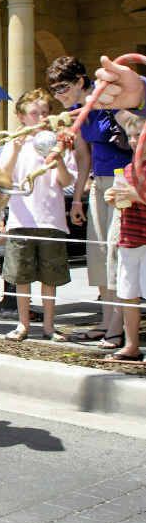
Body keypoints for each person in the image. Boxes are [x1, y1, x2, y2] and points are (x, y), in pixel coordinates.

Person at [50, 56, 130, 347]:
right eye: (54, 90)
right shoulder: (77, 113)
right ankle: (107, 321)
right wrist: (76, 200)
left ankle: (118, 327)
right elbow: (83, 157)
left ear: (80, 81)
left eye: (63, 87)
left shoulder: (108, 97)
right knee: (98, 254)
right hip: (99, 183)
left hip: (124, 182)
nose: (58, 94)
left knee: (116, 253)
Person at [0, 89, 76, 341]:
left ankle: (49, 326)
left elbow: (66, 181)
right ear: (21, 116)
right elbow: (3, 177)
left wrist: (58, 158)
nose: (40, 117)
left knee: (49, 278)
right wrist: (15, 150)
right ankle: (23, 324)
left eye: (44, 112)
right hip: (21, 220)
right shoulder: (13, 143)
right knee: (22, 276)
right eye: (34, 113)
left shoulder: (58, 142)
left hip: (51, 219)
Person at [102, 111, 145, 362]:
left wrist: (134, 194)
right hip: (129, 238)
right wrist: (113, 198)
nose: (134, 140)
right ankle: (131, 345)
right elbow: (123, 201)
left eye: (139, 135)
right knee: (128, 294)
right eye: (130, 136)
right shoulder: (127, 169)